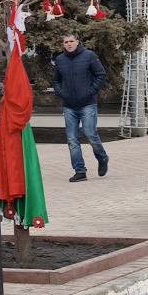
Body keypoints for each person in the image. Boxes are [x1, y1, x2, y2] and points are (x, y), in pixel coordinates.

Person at [52, 32, 108, 183]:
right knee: (72, 139)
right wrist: (61, 93)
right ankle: (80, 171)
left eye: (71, 41)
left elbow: (101, 75)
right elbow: (56, 81)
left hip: (87, 104)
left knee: (90, 133)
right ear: (63, 44)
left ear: (77, 42)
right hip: (69, 106)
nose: (69, 44)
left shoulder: (89, 56)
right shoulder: (60, 60)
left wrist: (90, 91)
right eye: (66, 42)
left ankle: (102, 157)